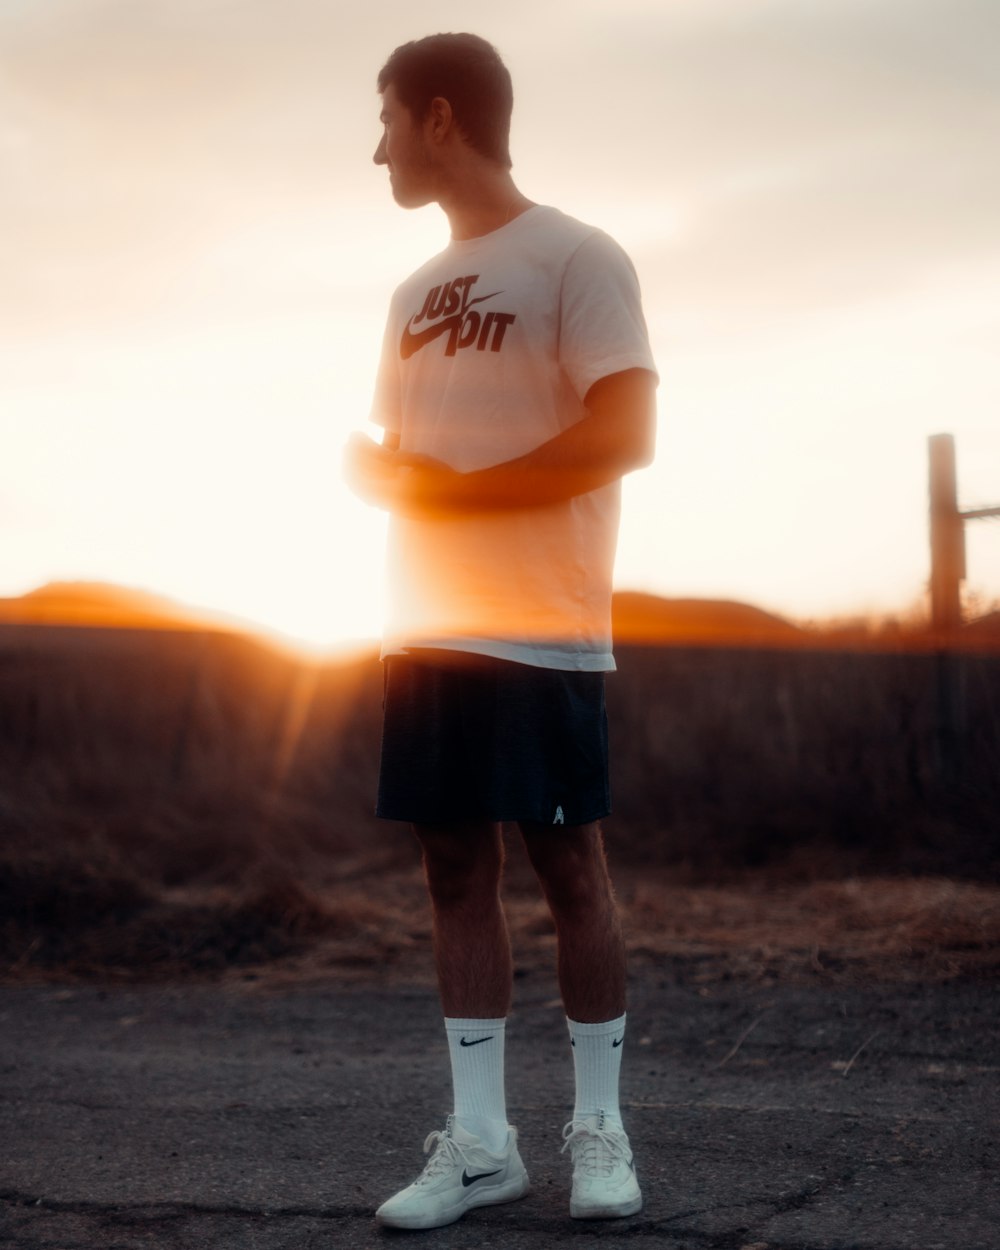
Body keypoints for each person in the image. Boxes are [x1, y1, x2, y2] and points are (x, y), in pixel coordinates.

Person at [344, 32, 658, 1230]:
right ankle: (481, 1143)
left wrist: (445, 493)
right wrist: (376, 477)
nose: (375, 151)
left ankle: (600, 1129)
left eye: (385, 124)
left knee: (569, 866)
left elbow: (622, 433)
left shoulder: (578, 255)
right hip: (423, 626)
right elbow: (414, 462)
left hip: (542, 624)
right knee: (451, 865)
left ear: (438, 119)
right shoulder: (410, 294)